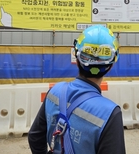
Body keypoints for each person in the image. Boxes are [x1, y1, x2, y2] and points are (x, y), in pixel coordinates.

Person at [28, 25, 126, 154]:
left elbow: (35, 136)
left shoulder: (55, 91)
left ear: (76, 58)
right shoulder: (110, 113)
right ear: (111, 65)